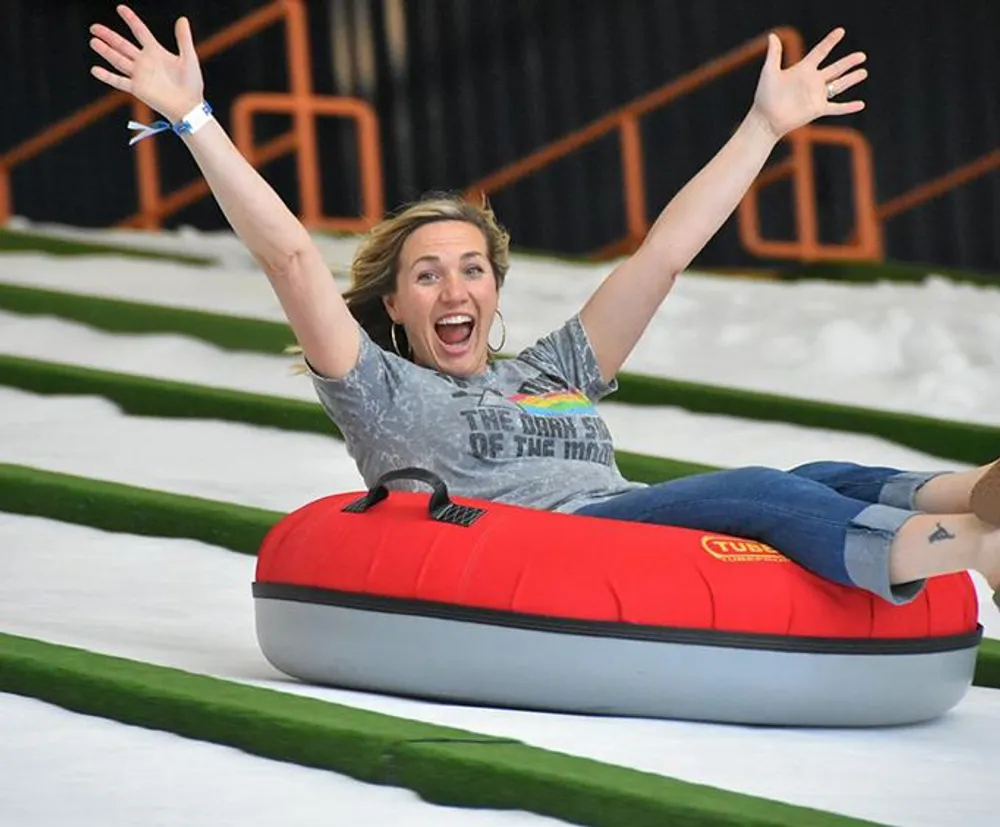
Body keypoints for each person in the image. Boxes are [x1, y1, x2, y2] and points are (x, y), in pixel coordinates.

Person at [89, 5, 999, 609]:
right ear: (395, 304)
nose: (456, 289)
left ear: (494, 288)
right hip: (557, 546)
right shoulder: (381, 388)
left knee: (819, 473)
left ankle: (981, 494)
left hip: (626, 526)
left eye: (473, 269)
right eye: (429, 274)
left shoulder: (549, 371)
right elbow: (290, 256)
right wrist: (194, 120)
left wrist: (762, 126)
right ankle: (974, 551)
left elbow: (666, 253)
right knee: (763, 491)